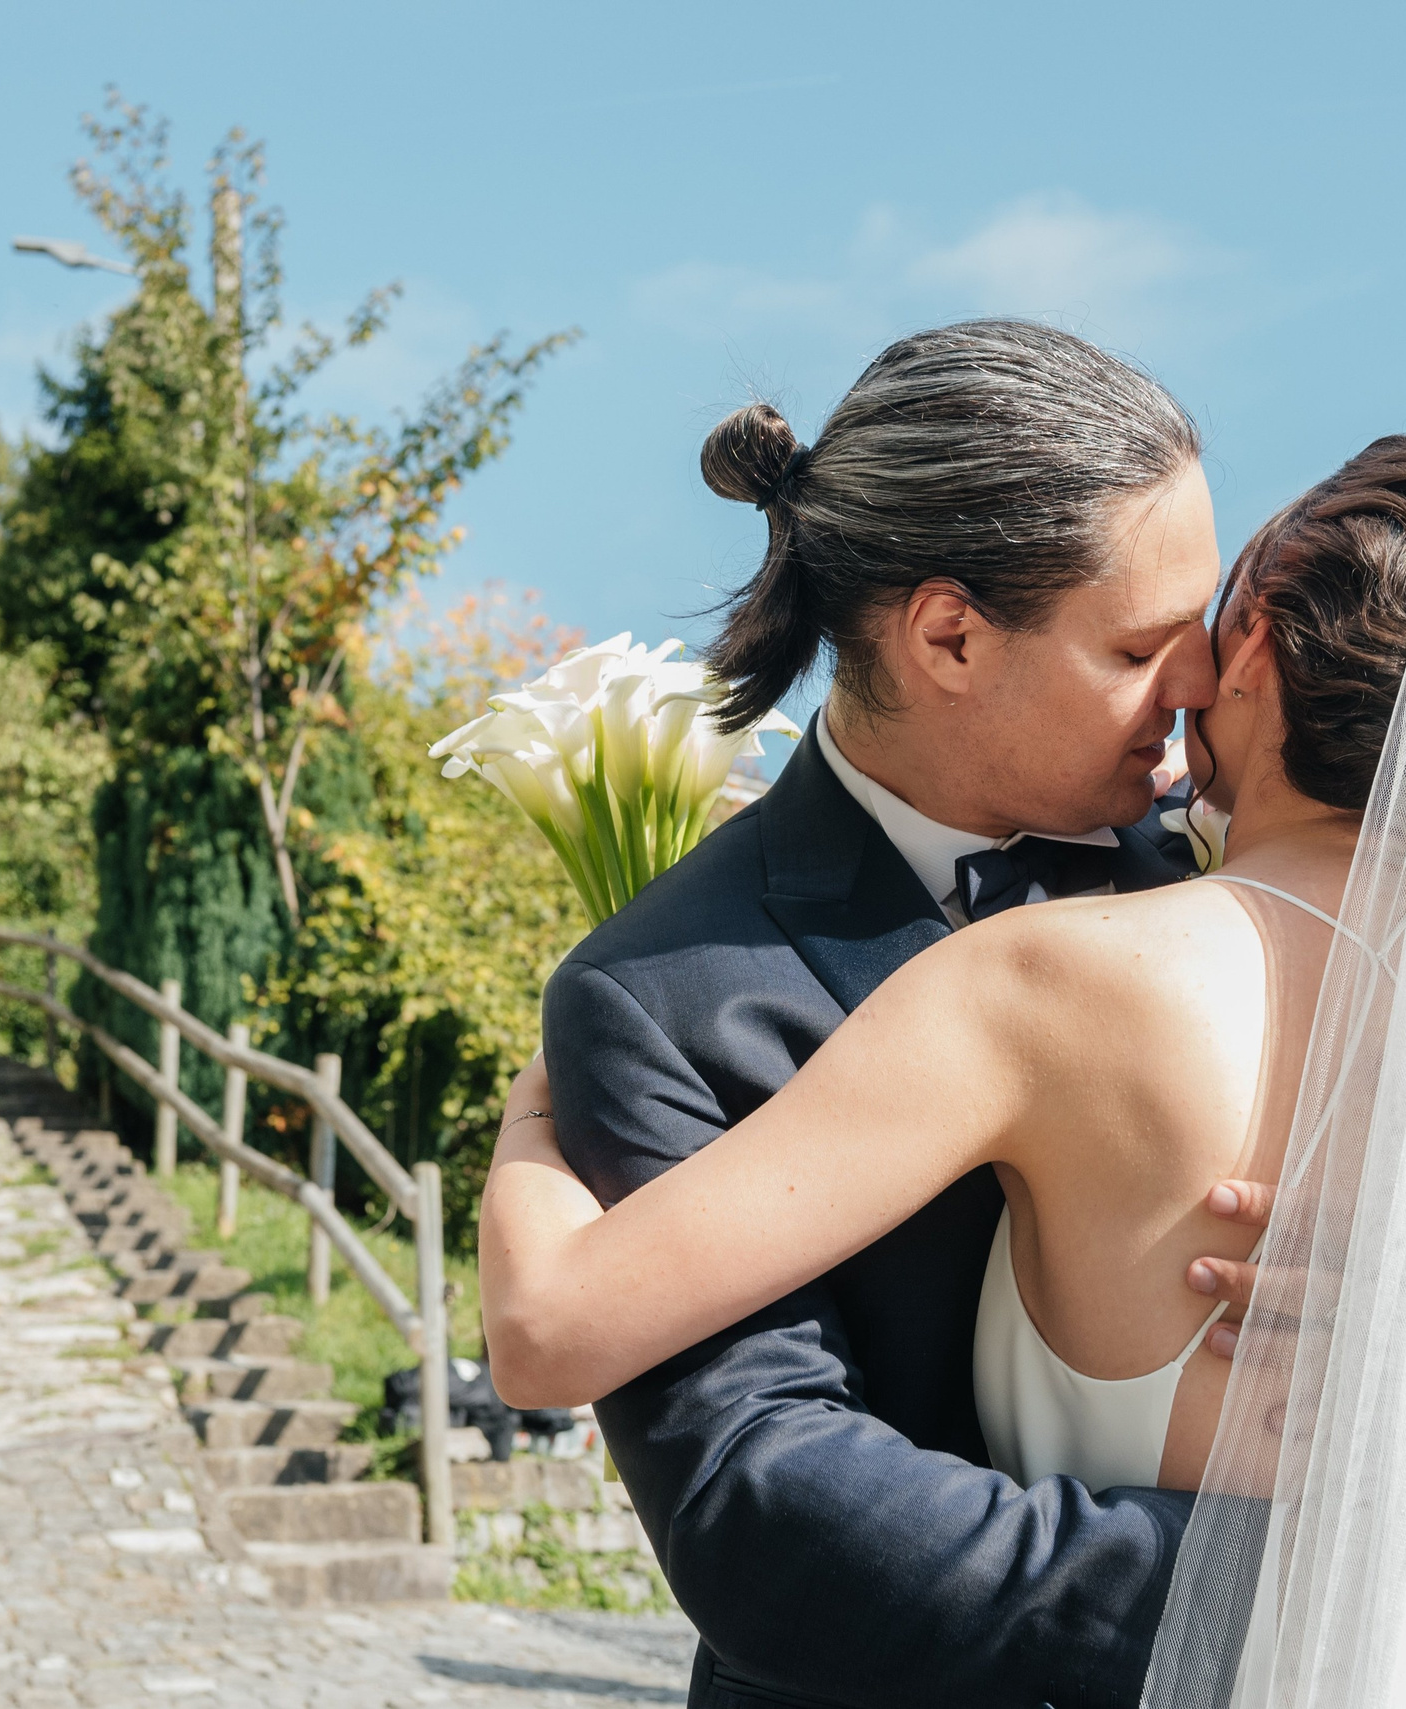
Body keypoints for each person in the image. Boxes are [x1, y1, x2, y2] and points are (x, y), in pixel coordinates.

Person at [488, 431, 1406, 1706]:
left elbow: (550, 1330)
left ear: (1263, 639)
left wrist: (532, 1128)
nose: (1176, 686)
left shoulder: (1053, 979)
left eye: (1202, 630)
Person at [522, 319, 1245, 1709]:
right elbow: (767, 1512)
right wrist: (1271, 1574)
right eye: (1143, 644)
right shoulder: (660, 997)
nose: (1202, 685)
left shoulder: (1220, 891)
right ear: (950, 636)